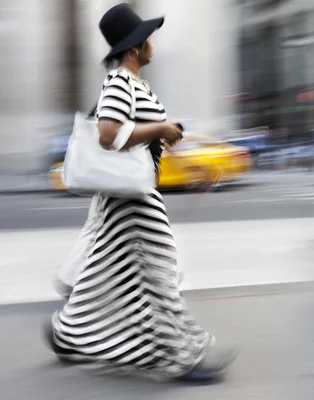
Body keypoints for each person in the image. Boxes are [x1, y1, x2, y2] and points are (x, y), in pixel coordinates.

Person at [43, 3, 237, 381]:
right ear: (133, 48)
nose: (153, 44)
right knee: (159, 274)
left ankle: (68, 332)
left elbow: (143, 141)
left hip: (130, 195)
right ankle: (182, 357)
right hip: (134, 201)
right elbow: (109, 134)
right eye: (147, 38)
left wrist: (187, 158)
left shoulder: (135, 84)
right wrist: (161, 128)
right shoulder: (119, 82)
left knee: (106, 274)